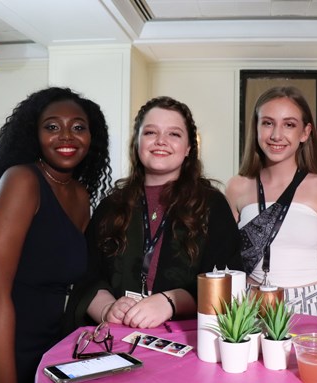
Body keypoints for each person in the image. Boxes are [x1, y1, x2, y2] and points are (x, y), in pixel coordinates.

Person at [0, 87, 112, 383]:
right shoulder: (22, 180)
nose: (66, 136)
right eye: (52, 127)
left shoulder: (80, 195)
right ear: (33, 134)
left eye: (78, 127)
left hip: (45, 340)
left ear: (92, 137)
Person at [64, 96, 242, 331]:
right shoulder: (110, 206)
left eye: (174, 134)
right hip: (118, 336)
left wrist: (170, 302)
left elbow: (226, 281)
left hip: (187, 339)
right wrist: (107, 308)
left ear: (189, 148)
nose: (161, 141)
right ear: (137, 142)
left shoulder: (212, 204)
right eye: (150, 132)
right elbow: (86, 275)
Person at [225, 86, 317, 317]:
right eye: (268, 123)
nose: (276, 135)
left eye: (289, 124)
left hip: (310, 303)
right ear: (256, 128)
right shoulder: (236, 187)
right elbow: (228, 259)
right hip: (250, 301)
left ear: (305, 132)